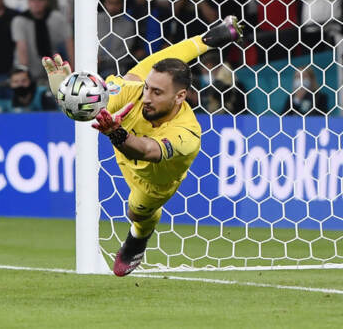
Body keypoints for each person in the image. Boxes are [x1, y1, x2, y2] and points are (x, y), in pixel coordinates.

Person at [42, 16, 244, 276]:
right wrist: (66, 94)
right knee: (133, 76)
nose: (146, 97)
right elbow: (93, 107)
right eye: (148, 88)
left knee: (136, 213)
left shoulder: (187, 133)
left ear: (180, 97)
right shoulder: (135, 91)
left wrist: (116, 133)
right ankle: (212, 37)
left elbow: (149, 151)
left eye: (157, 93)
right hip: (122, 133)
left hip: (152, 181)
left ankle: (139, 236)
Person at [12, 0, 73, 86]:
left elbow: (69, 43)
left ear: (46, 1)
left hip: (52, 71)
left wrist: (73, 72)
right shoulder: (20, 20)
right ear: (28, 2)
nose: (36, 3)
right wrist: (24, 77)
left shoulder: (56, 18)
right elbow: (21, 49)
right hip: (28, 73)